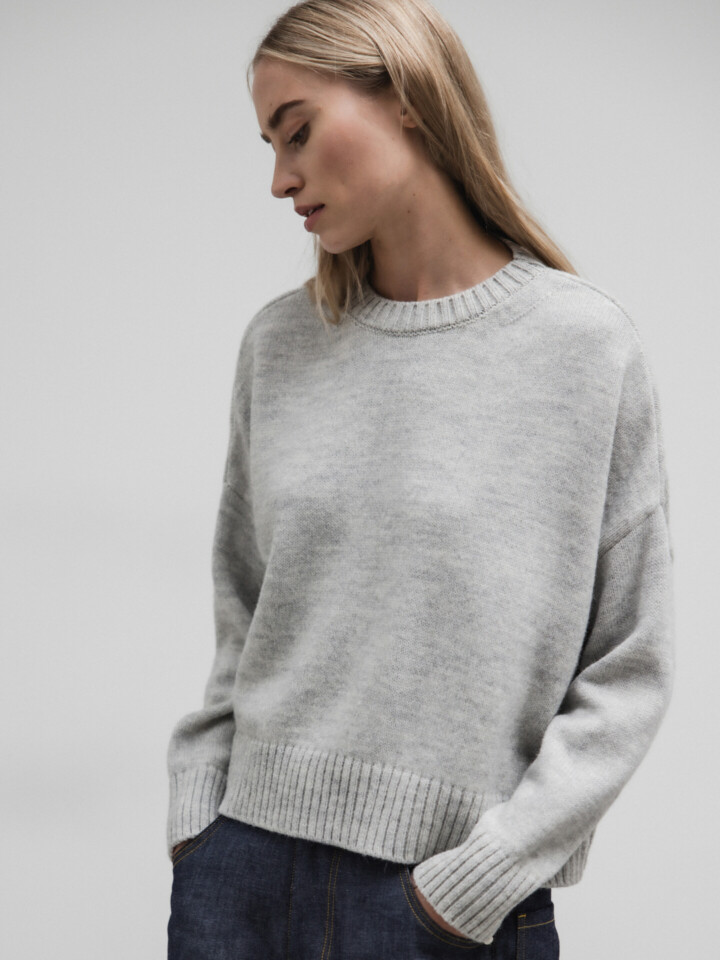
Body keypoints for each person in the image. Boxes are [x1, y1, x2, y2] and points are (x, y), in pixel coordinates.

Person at [166, 1, 675, 956]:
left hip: (439, 907)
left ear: (404, 96)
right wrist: (200, 823)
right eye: (270, 146)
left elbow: (629, 664)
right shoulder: (280, 345)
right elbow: (244, 608)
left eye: (298, 132)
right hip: (242, 880)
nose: (279, 179)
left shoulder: (582, 348)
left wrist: (477, 878)